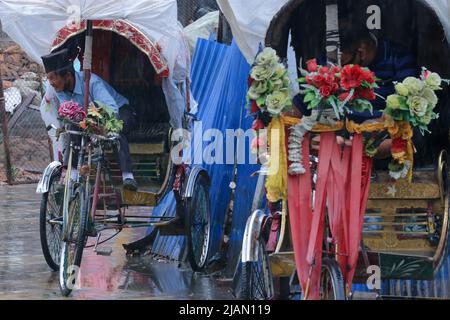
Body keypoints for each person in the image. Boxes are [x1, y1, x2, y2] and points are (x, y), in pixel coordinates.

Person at [292, 26, 420, 158]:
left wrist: (372, 128)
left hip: (380, 141)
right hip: (334, 144)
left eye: (345, 64)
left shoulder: (399, 59)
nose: (339, 70)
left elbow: (406, 112)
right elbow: (302, 101)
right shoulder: (331, 61)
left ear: (361, 52)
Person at [41, 48, 139, 191]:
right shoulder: (60, 90)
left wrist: (97, 123)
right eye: (48, 79)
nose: (51, 83)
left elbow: (111, 109)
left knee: (117, 131)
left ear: (67, 75)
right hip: (87, 118)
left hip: (119, 110)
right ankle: (72, 175)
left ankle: (128, 176)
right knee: (72, 129)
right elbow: (70, 113)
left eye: (52, 78)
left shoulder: (91, 82)